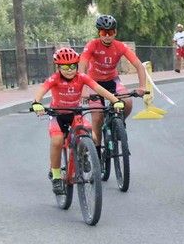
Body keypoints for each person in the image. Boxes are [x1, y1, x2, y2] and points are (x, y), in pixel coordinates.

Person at [30, 47, 125, 195]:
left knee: (91, 134)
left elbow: (98, 88)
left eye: (72, 66)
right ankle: (56, 175)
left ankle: (84, 154)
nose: (69, 70)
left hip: (75, 113)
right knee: (57, 141)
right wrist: (36, 103)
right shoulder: (55, 78)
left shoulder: (82, 77)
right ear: (58, 67)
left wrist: (115, 100)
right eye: (65, 67)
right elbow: (42, 89)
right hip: (57, 115)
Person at [79, 14, 150, 145]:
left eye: (110, 32)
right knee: (98, 117)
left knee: (127, 102)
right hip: (94, 83)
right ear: (99, 33)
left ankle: (118, 124)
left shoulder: (120, 46)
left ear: (115, 32)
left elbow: (139, 66)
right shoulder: (92, 45)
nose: (107, 36)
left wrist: (142, 86)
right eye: (103, 32)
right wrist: (84, 89)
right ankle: (97, 150)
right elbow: (82, 65)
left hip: (112, 80)